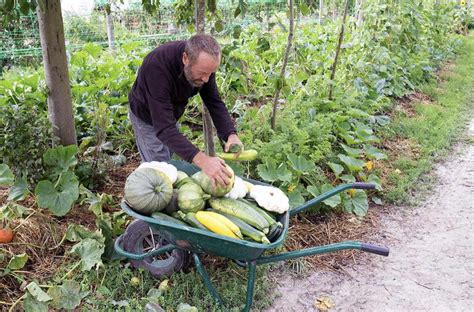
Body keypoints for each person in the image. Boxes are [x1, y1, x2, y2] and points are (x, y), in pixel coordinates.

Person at [128, 34, 242, 189]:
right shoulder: (156, 67)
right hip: (146, 115)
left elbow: (213, 101)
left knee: (168, 159)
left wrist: (230, 133)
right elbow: (164, 129)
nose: (207, 79)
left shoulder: (204, 67)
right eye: (203, 73)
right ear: (185, 59)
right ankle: (145, 203)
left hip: (170, 112)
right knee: (158, 170)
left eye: (211, 73)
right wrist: (203, 160)